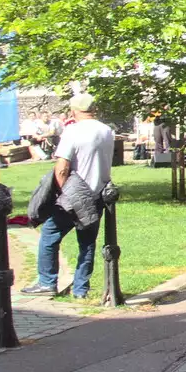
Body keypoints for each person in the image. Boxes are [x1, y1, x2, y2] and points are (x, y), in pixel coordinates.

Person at [21, 93, 115, 298]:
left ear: (73, 110)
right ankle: (81, 289)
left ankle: (47, 282)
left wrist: (62, 191)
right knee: (87, 242)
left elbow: (62, 166)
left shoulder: (73, 131)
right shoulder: (107, 130)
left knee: (49, 234)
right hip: (98, 192)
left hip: (74, 193)